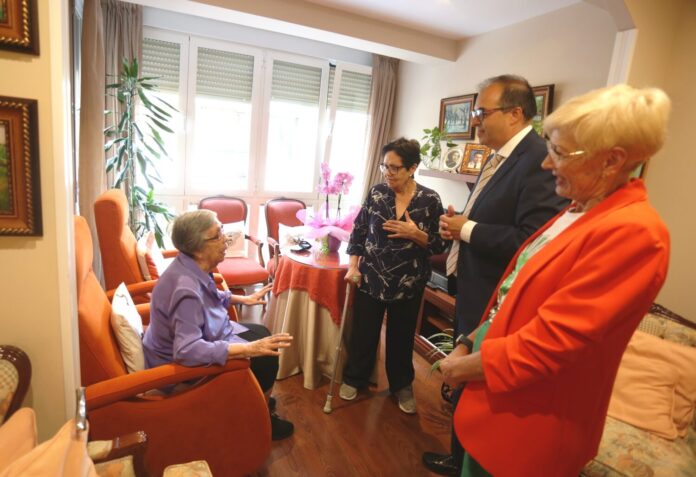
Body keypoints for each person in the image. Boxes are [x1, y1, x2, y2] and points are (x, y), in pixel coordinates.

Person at [439, 84, 671, 476]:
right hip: (497, 408)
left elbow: (551, 345)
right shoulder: (579, 209)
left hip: (529, 425)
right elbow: (515, 291)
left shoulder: (636, 233)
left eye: (559, 153)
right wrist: (468, 340)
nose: (546, 164)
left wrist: (466, 368)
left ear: (612, 161)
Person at [423, 75, 568, 475]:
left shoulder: (536, 161)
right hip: (473, 287)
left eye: (482, 112)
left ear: (515, 113)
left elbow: (530, 240)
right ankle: (458, 458)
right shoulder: (496, 156)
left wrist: (467, 229)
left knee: (475, 387)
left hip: (494, 298)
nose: (476, 121)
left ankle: (466, 463)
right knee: (464, 385)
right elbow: (492, 215)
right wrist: (460, 223)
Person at [142, 210, 295, 440]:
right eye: (217, 236)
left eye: (222, 231)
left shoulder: (189, 265)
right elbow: (186, 350)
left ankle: (256, 394)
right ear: (197, 248)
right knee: (266, 357)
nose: (226, 240)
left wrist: (242, 299)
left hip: (206, 333)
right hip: (178, 366)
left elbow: (208, 293)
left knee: (262, 333)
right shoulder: (185, 290)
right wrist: (247, 349)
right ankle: (259, 420)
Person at [338, 137, 447, 414]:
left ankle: (401, 385)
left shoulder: (430, 200)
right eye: (384, 166)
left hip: (409, 283)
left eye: (394, 168)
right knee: (364, 333)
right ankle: (355, 377)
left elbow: (439, 245)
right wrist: (353, 266)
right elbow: (359, 232)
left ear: (412, 168)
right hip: (371, 277)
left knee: (401, 337)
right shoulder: (377, 194)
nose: (387, 173)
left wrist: (416, 234)